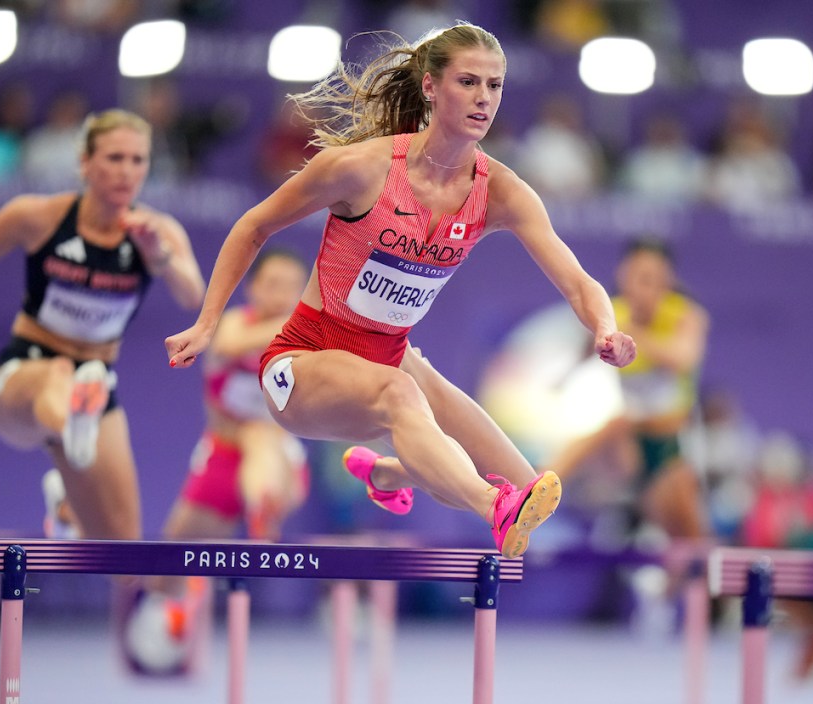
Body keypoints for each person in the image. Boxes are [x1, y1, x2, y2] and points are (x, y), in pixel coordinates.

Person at [164, 23, 636, 560]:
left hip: (388, 361)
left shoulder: (501, 191)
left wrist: (605, 327)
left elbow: (577, 279)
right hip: (301, 364)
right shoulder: (359, 168)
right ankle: (490, 508)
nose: (484, 98)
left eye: (496, 85)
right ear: (431, 87)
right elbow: (254, 226)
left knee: (530, 487)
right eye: (469, 82)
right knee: (414, 405)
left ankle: (388, 472)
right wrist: (207, 322)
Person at [0, 109, 205, 542]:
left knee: (124, 545)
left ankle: (67, 505)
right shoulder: (39, 216)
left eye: (138, 160)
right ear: (85, 163)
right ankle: (70, 428)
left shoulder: (158, 231)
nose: (127, 172)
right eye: (114, 158)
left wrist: (157, 254)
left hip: (96, 384)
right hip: (24, 376)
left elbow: (192, 296)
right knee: (59, 374)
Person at [124, 248, 312, 676]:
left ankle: (262, 508)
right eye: (273, 284)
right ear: (253, 288)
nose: (283, 293)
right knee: (170, 562)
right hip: (221, 457)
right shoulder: (234, 323)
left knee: (261, 435)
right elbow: (228, 345)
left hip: (278, 461)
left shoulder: (308, 342)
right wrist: (299, 320)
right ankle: (164, 621)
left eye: (292, 286)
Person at [549, 237, 709, 544]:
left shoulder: (685, 316)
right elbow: (587, 348)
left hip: (672, 445)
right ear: (624, 277)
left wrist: (634, 337)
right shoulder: (611, 315)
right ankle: (540, 482)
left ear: (667, 281)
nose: (646, 290)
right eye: (640, 279)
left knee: (686, 533)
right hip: (631, 445)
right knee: (615, 424)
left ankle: (697, 580)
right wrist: (565, 377)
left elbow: (685, 356)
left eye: (655, 281)